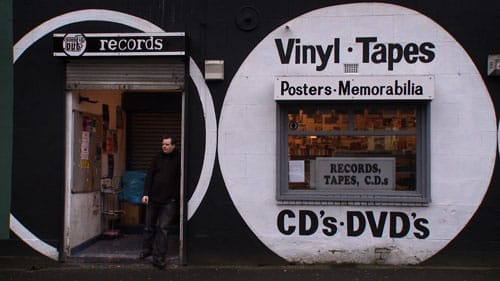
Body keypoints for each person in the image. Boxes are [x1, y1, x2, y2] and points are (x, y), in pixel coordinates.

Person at [139, 135, 180, 269]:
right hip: (153, 199)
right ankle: (147, 250)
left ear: (174, 145)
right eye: (163, 144)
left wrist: (176, 197)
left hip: (169, 201)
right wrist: (146, 194)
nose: (164, 146)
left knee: (163, 229)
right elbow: (149, 176)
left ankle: (158, 258)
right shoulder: (157, 158)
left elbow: (181, 179)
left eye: (167, 144)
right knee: (148, 226)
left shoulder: (179, 159)